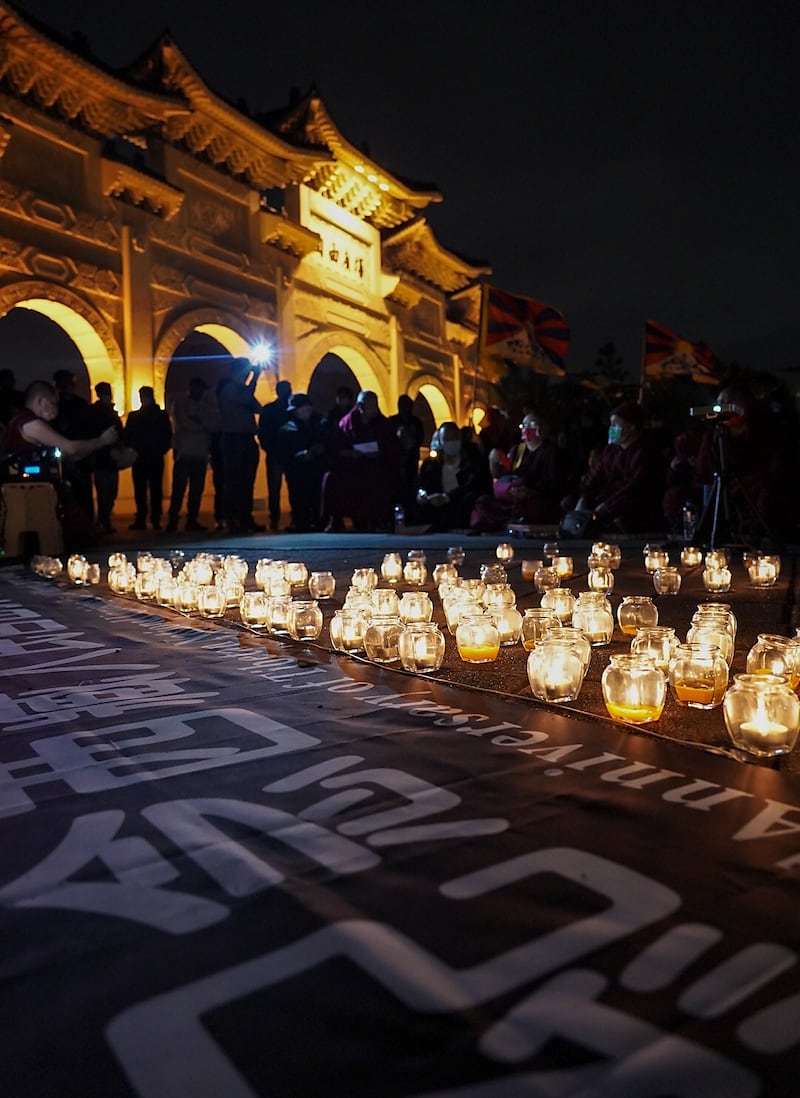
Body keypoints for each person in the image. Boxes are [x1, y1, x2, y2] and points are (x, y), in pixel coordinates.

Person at [570, 401, 665, 533]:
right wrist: (584, 497)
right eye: (611, 424)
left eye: (615, 424)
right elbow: (596, 474)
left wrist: (608, 506)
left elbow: (635, 487)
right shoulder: (611, 451)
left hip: (632, 504)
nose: (611, 429)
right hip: (607, 500)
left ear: (632, 426)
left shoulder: (645, 452)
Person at [470, 411, 566, 532]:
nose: (526, 429)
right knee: (483, 502)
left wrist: (528, 491)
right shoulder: (518, 450)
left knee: (535, 506)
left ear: (542, 428)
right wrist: (493, 461)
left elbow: (553, 483)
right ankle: (507, 521)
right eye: (524, 425)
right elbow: (502, 475)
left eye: (531, 424)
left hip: (532, 497)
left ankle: (511, 521)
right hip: (512, 496)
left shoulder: (550, 452)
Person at [321, 389, 401, 532]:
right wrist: (349, 453)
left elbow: (392, 447)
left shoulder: (383, 424)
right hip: (351, 464)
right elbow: (335, 447)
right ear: (360, 406)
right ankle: (335, 520)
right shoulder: (346, 423)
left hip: (376, 464)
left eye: (375, 404)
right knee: (331, 478)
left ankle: (378, 520)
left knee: (382, 478)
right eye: (370, 405)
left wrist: (379, 453)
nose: (374, 408)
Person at [415, 421, 491, 532]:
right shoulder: (431, 464)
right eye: (447, 439)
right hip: (438, 513)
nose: (451, 443)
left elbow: (475, 485)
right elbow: (422, 483)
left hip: (464, 510)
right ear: (440, 441)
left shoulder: (473, 459)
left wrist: (447, 497)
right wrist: (422, 494)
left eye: (454, 438)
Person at [217, 357, 264, 534]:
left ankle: (245, 517)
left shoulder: (243, 389)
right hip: (233, 439)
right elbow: (245, 399)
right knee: (233, 481)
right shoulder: (227, 387)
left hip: (247, 439)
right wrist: (256, 377)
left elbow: (258, 408)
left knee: (247, 482)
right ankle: (232, 519)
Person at [166, 377, 218, 533]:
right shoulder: (181, 405)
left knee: (195, 489)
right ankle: (173, 520)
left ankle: (190, 519)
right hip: (185, 453)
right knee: (179, 489)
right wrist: (202, 424)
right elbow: (187, 424)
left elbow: (213, 424)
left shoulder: (204, 407)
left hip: (199, 453)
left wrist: (199, 423)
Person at [275, 392, 328, 532]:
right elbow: (285, 453)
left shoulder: (320, 424)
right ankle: (301, 522)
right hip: (297, 471)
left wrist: (321, 449)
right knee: (299, 498)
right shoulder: (287, 429)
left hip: (316, 469)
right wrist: (303, 455)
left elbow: (327, 442)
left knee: (317, 496)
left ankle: (319, 521)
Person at [124, 386, 172, 531]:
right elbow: (167, 435)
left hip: (140, 456)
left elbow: (128, 436)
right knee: (155, 488)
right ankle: (155, 518)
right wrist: (161, 450)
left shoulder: (135, 416)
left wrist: (133, 448)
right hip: (154, 456)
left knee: (141, 489)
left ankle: (142, 518)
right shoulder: (161, 415)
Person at [52, 368, 96, 522]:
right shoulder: (55, 406)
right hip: (61, 457)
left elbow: (89, 429)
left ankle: (86, 525)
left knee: (83, 494)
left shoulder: (80, 404)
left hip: (81, 456)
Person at [89, 381, 124, 534]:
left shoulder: (110, 412)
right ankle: (103, 520)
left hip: (110, 458)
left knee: (111, 491)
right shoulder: (95, 412)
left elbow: (120, 431)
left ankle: (104, 519)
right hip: (101, 458)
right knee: (104, 491)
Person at [257, 379, 292, 531]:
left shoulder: (270, 409)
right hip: (283, 453)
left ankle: (275, 518)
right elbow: (263, 432)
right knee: (285, 486)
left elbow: (262, 432)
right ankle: (281, 516)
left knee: (277, 487)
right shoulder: (290, 410)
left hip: (279, 453)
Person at [388, 394, 425, 515]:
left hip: (411, 461)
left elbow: (420, 438)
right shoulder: (392, 422)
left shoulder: (416, 422)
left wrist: (411, 439)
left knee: (410, 488)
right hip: (395, 462)